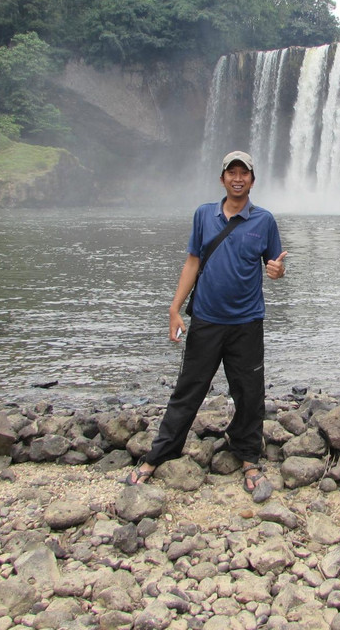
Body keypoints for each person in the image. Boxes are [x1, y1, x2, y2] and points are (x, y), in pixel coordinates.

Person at [128, 150, 287, 493]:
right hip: (206, 320)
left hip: (247, 323)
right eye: (232, 172)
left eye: (244, 173)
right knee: (188, 390)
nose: (238, 178)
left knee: (249, 394)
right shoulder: (203, 215)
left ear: (252, 181)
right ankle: (160, 454)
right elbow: (192, 262)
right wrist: (175, 308)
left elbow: (274, 266)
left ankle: (248, 457)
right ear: (222, 179)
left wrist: (278, 271)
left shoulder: (265, 221)